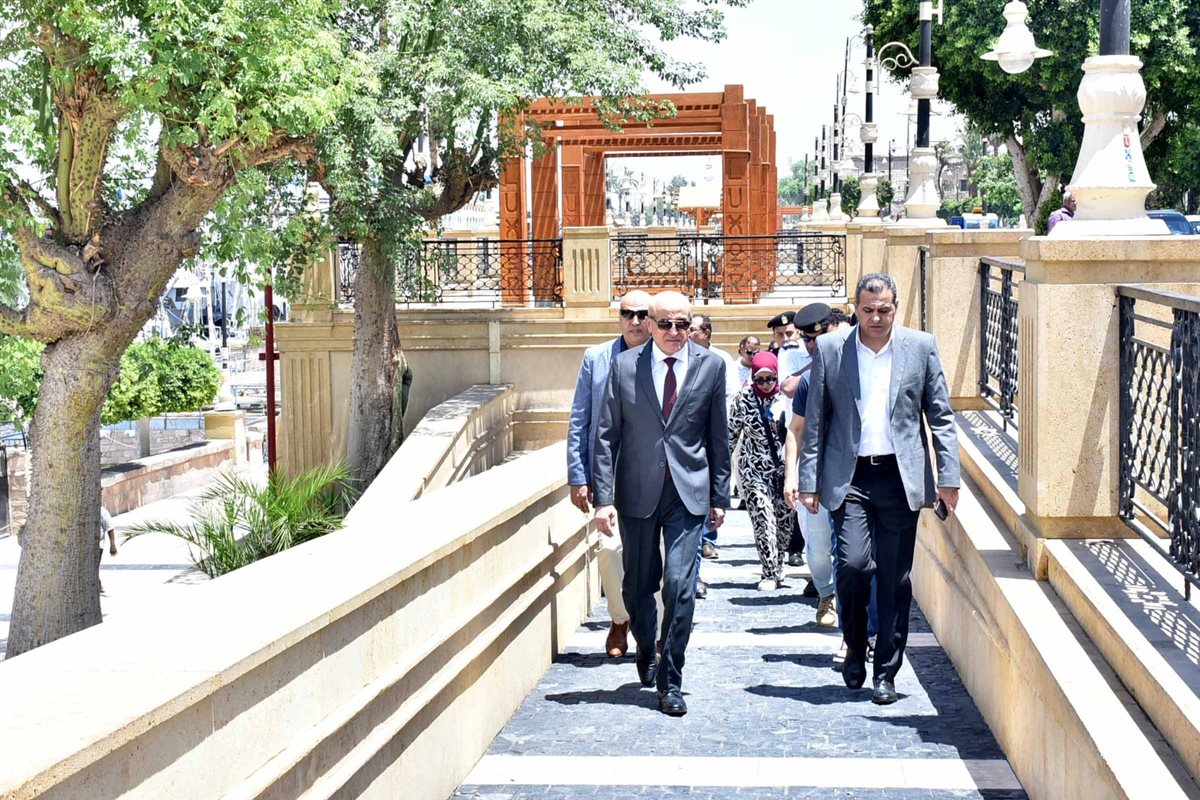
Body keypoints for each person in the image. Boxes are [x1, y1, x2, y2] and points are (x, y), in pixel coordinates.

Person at [798, 272, 960, 706]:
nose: (875, 318)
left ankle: (886, 670)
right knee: (852, 565)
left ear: (895, 307)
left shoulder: (920, 347)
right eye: (867, 310)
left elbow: (940, 416)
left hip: (898, 478)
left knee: (894, 578)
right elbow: (816, 421)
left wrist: (948, 478)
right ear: (855, 308)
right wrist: (808, 480)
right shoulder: (831, 349)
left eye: (884, 310)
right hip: (849, 477)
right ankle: (854, 644)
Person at [593, 291, 731, 717]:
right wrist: (603, 499)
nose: (675, 332)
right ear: (649, 325)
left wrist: (720, 496)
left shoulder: (711, 366)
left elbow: (717, 436)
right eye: (666, 324)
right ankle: (644, 646)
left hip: (688, 492)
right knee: (638, 585)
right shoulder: (623, 367)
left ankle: (671, 678)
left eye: (682, 324)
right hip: (636, 491)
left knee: (679, 585)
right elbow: (605, 436)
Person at [567, 289, 653, 659]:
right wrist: (578, 475)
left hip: (654, 476)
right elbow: (579, 419)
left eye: (642, 314)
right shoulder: (596, 358)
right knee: (609, 551)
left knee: (659, 557)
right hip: (608, 476)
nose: (635, 321)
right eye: (627, 314)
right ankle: (620, 619)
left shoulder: (666, 356)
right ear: (619, 318)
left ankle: (657, 632)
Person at [727, 352, 793, 591]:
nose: (765, 384)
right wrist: (720, 472)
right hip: (754, 470)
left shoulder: (787, 397)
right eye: (760, 379)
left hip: (785, 471)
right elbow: (731, 435)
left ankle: (780, 560)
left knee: (784, 523)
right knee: (763, 519)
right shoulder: (742, 399)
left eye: (770, 378)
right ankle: (769, 572)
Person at [688, 313, 740, 564]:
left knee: (713, 485)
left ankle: (709, 538)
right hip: (692, 436)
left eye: (693, 329)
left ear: (706, 333)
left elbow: (731, 396)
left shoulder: (721, 359)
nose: (688, 333)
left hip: (716, 433)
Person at [98, 506, 117, 595]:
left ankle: (98, 585)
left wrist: (112, 545)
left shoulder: (102, 511)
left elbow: (110, 528)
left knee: (95, 566)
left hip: (98, 545)